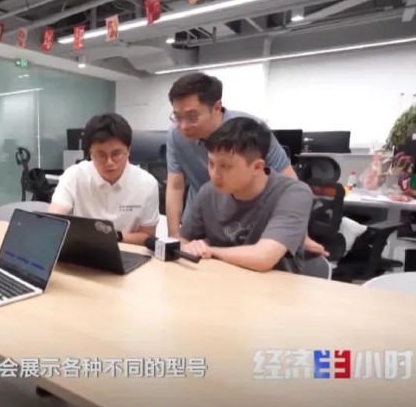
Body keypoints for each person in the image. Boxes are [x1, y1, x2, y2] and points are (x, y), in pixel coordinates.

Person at [164, 72, 327, 256]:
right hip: (205, 216)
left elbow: (288, 180)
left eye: (192, 117)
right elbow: (176, 186)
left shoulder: (250, 132)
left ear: (216, 107)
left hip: (249, 221)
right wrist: (175, 238)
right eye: (177, 117)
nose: (183, 126)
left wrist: (298, 233)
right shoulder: (176, 136)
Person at [180, 117, 314, 273]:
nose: (215, 174)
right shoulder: (209, 191)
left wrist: (210, 250)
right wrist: (190, 247)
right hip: (220, 281)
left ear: (257, 167)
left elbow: (264, 257)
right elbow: (183, 240)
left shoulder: (293, 194)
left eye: (225, 166)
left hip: (274, 285)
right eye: (211, 163)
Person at [48, 113, 160, 246]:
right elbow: (54, 221)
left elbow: (147, 236)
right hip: (82, 250)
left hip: (127, 251)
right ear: (90, 153)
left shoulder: (147, 184)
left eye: (116, 154)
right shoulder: (74, 175)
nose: (109, 162)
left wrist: (114, 236)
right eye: (101, 155)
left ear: (128, 150)